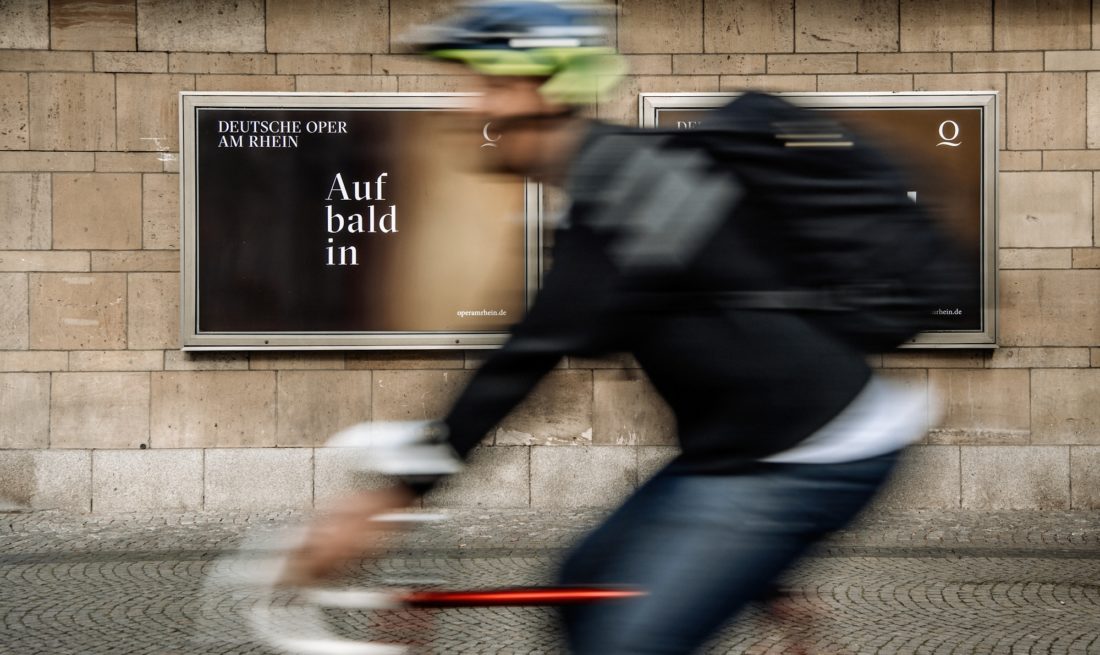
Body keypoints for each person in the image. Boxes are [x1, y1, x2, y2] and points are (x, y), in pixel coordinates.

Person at [286, 2, 961, 653]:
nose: (468, 107)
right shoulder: (618, 184)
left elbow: (523, 359)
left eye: (488, 84)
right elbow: (726, 344)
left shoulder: (621, 196)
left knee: (626, 642)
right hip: (733, 453)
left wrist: (387, 500)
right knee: (584, 581)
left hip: (816, 454)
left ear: (551, 89)